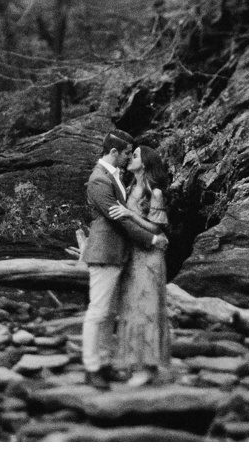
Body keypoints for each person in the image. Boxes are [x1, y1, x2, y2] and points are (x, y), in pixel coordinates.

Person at [82, 132, 167, 388]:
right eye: (127, 152)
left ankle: (104, 363)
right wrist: (151, 240)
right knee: (97, 312)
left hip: (120, 254)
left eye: (133, 153)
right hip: (105, 252)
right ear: (114, 152)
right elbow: (117, 218)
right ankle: (91, 366)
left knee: (108, 314)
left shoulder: (117, 177)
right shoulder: (98, 179)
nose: (130, 156)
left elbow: (132, 214)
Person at [115, 145, 173, 383]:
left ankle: (148, 366)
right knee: (132, 306)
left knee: (148, 308)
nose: (130, 158)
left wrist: (129, 215)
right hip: (134, 254)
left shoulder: (154, 193)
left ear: (145, 164)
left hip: (150, 255)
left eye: (135, 155)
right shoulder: (130, 187)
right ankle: (135, 362)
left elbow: (156, 227)